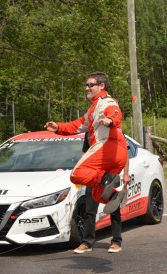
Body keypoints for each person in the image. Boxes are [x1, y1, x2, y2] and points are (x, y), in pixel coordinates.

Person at [45, 71, 128, 214]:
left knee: (76, 174)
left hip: (108, 147)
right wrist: (59, 127)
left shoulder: (106, 101)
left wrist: (110, 120)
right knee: (97, 194)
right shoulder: (93, 108)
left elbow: (115, 111)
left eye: (90, 85)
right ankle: (115, 195)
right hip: (118, 155)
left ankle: (106, 179)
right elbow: (77, 125)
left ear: (101, 86)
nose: (86, 88)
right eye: (86, 85)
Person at [74, 132, 130, 254]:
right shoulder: (89, 133)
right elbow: (85, 154)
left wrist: (126, 174)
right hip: (94, 176)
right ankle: (87, 242)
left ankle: (116, 241)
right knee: (89, 210)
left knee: (114, 210)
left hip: (110, 176)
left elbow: (124, 153)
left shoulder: (116, 131)